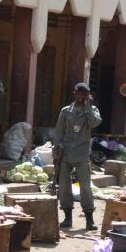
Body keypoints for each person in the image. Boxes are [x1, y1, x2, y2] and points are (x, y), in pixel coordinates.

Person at [53, 82, 102, 230]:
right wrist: (56, 149)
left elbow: (95, 123)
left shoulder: (92, 110)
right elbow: (59, 131)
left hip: (81, 154)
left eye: (83, 94)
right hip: (66, 153)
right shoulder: (66, 111)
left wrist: (88, 106)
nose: (80, 96)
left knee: (85, 187)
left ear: (87, 96)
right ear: (74, 93)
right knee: (64, 187)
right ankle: (67, 217)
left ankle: (89, 219)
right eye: (78, 93)